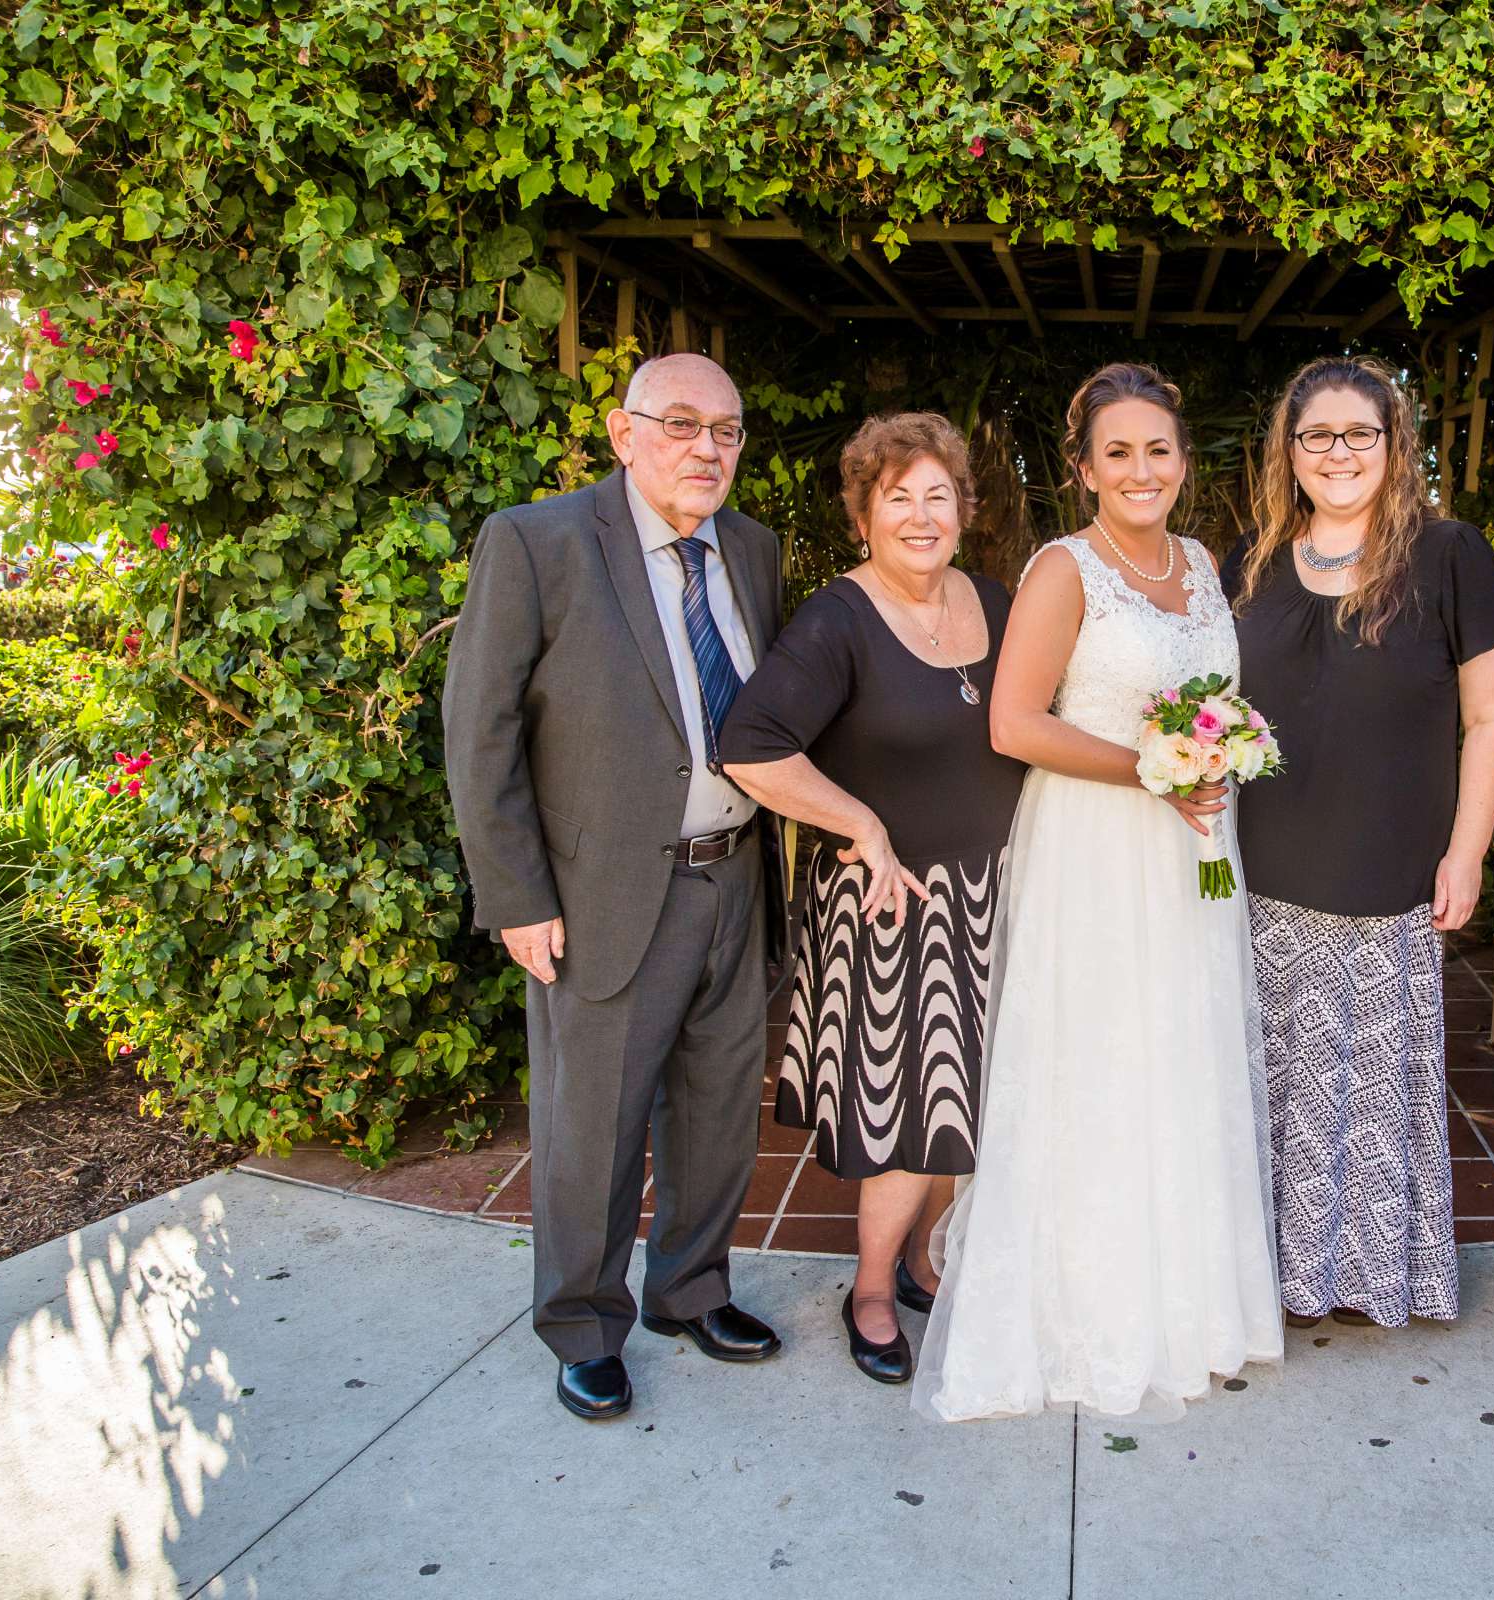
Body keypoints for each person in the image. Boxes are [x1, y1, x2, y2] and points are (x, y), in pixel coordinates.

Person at [914, 363, 1282, 1422]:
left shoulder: (1204, 562)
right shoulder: (1064, 570)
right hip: (1097, 847)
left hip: (1195, 850)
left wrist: (1216, 761)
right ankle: (1087, 1311)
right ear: (1082, 469)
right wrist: (1153, 771)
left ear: (1183, 461)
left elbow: (1214, 700)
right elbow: (1015, 723)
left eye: (1157, 449)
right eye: (1116, 452)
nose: (1140, 469)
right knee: (1099, 1061)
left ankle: (1190, 1309)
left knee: (1182, 1055)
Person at [442, 353, 783, 1422]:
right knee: (594, 1125)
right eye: (681, 424)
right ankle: (585, 1324)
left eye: (726, 430)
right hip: (600, 896)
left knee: (721, 1109)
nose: (707, 449)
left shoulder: (756, 551)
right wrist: (516, 896)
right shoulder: (537, 543)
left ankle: (689, 1289)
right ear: (623, 431)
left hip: (735, 880)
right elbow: (480, 729)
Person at [718, 413, 1026, 1385]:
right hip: (889, 907)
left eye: (939, 494)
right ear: (864, 516)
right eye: (899, 497)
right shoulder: (837, 620)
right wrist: (860, 824)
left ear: (965, 510)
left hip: (996, 897)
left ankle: (930, 1259)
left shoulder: (1000, 604)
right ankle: (874, 1288)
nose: (922, 514)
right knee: (909, 1115)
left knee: (976, 1105)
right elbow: (753, 746)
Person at [1229, 355, 1494, 1329]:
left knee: (1366, 1100)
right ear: (1289, 450)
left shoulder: (1450, 556)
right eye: (1318, 435)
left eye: (1361, 433)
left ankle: (1366, 1277)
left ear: (1396, 446)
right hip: (1259, 874)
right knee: (1272, 1094)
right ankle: (1269, 1275)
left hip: (1386, 874)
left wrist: (1467, 849)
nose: (1339, 452)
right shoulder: (1251, 562)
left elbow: (1488, 719)